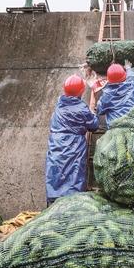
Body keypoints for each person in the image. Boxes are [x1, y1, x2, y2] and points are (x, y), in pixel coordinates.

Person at [45, 75, 99, 206]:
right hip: (74, 145)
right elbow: (94, 125)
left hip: (56, 142)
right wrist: (92, 113)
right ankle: (73, 206)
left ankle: (52, 204)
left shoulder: (59, 106)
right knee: (74, 175)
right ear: (81, 91)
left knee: (55, 172)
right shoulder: (82, 109)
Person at [97, 61, 134, 128]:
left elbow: (100, 110)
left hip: (115, 130)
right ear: (124, 76)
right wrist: (128, 68)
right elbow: (133, 77)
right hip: (132, 127)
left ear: (108, 79)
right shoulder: (132, 85)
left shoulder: (107, 95)